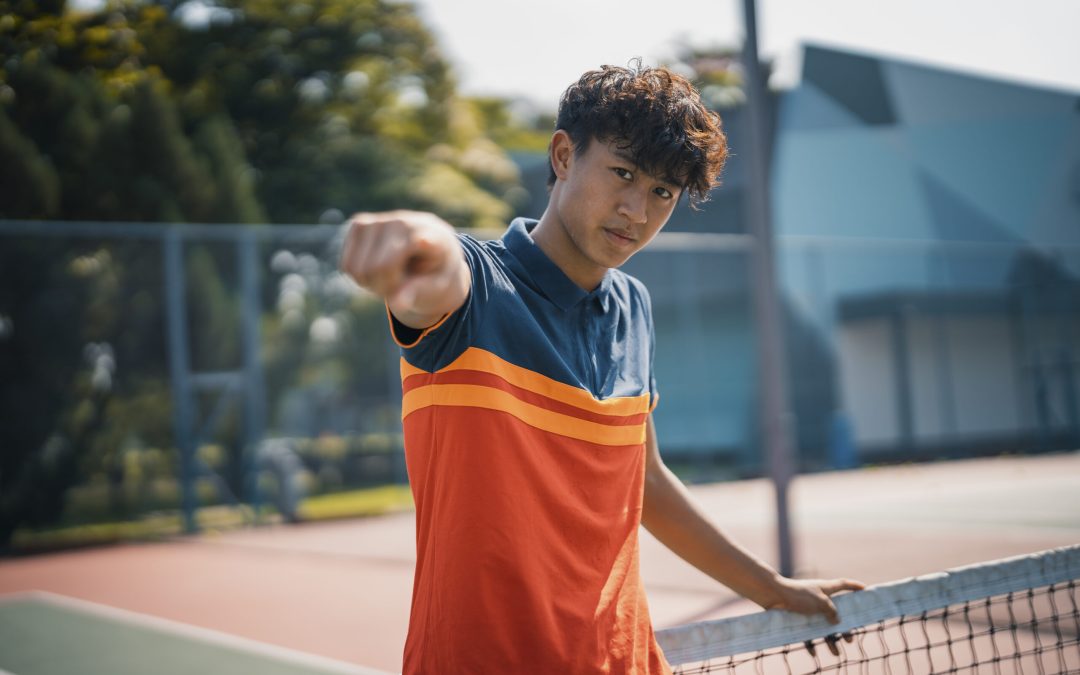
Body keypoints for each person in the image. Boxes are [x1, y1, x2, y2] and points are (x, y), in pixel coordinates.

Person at [340, 62, 864, 674]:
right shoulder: (477, 286)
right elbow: (436, 273)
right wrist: (418, 238)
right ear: (563, 155)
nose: (636, 210)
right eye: (623, 173)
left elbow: (647, 485)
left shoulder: (634, 308)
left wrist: (772, 588)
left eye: (663, 192)